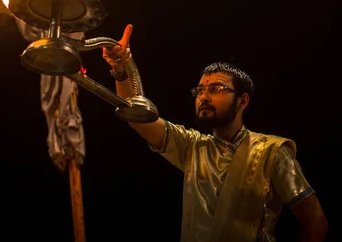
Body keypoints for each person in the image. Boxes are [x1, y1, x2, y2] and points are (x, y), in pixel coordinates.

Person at [102, 24, 328, 242]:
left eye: (216, 89)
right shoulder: (193, 147)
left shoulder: (272, 151)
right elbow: (138, 118)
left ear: (242, 101)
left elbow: (315, 220)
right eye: (199, 90)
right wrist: (123, 67)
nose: (204, 97)